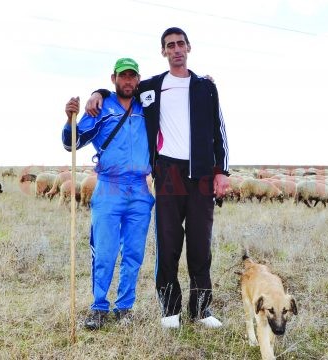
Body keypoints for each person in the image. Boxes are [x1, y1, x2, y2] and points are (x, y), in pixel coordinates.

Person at [85, 27, 229, 329]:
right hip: (167, 172)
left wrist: (221, 172)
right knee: (168, 242)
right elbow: (122, 90)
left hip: (201, 173)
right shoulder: (150, 87)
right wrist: (98, 92)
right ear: (163, 52)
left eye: (180, 44)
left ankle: (201, 310)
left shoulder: (206, 88)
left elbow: (219, 133)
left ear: (188, 47)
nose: (176, 49)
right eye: (169, 45)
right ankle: (170, 311)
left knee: (200, 245)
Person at [63, 57, 154, 330]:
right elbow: (72, 143)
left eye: (132, 76)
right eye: (123, 76)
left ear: (138, 80)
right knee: (104, 251)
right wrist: (70, 120)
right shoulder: (101, 108)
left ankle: (125, 308)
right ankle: (99, 307)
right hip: (109, 186)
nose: (128, 81)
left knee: (134, 253)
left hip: (140, 188)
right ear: (113, 79)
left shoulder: (147, 109)